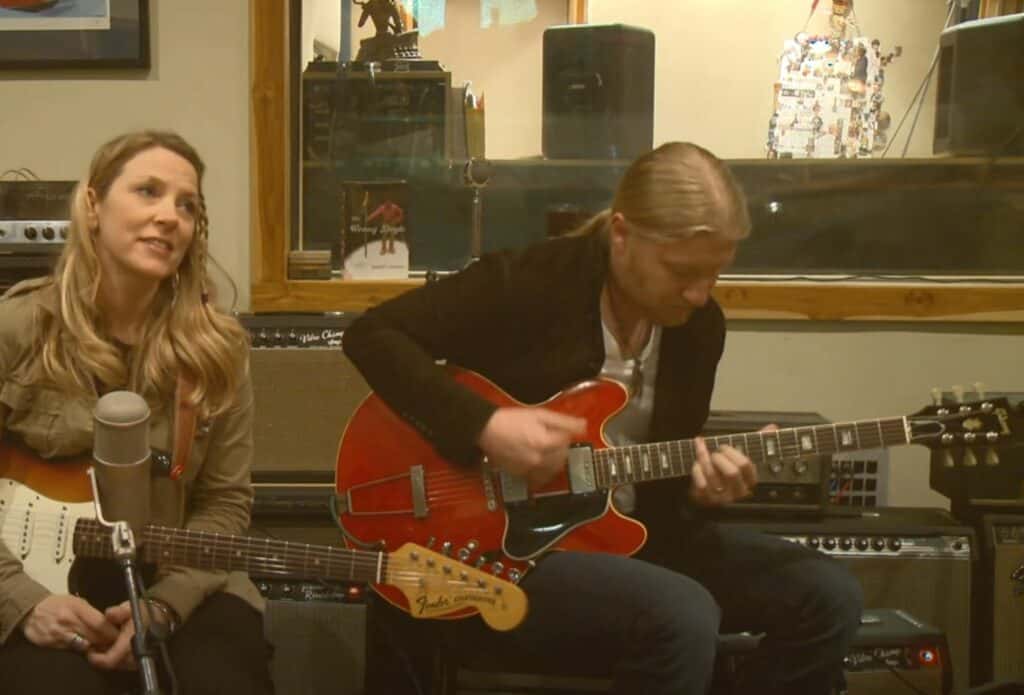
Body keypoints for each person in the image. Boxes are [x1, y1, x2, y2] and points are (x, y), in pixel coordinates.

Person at [342, 142, 864, 694]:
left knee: (828, 595)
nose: (699, 292)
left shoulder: (699, 327)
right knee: (682, 614)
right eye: (682, 271)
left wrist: (702, 489)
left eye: (714, 273)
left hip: (632, 535)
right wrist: (486, 425)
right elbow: (372, 336)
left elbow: (657, 481)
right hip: (508, 547)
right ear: (622, 234)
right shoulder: (527, 283)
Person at [0, 131, 273, 694]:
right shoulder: (17, 328)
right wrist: (22, 601)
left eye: (186, 205)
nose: (169, 216)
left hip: (179, 579)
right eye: (148, 191)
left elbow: (224, 502)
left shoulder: (218, 352)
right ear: (93, 206)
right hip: (24, 578)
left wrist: (166, 606)